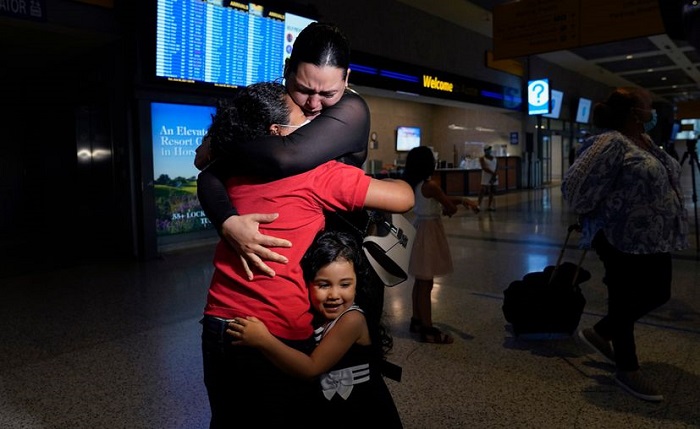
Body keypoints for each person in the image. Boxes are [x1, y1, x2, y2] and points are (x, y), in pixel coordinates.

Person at [201, 81, 413, 428]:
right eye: (303, 114)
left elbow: (206, 172)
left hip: (219, 323)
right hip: (275, 330)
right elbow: (404, 197)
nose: (314, 117)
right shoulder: (317, 174)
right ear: (278, 131)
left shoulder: (232, 171)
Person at [196, 22, 370, 279]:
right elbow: (210, 174)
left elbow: (284, 157)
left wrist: (220, 140)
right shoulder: (274, 108)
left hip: (336, 265)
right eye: (303, 89)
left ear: (346, 79)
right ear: (287, 68)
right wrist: (227, 222)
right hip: (279, 267)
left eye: (328, 93)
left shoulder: (352, 110)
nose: (313, 104)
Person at [561, 87, 688, 402]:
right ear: (634, 112)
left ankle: (602, 332)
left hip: (652, 238)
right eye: (648, 105)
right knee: (624, 297)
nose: (652, 109)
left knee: (660, 292)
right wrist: (599, 214)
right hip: (620, 236)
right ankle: (627, 369)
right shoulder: (610, 143)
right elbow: (574, 187)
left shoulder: (643, 141)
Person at [227, 230, 403, 428]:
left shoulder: (352, 320)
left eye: (345, 284)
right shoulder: (314, 316)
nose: (334, 294)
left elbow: (311, 368)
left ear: (357, 285)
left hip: (360, 411)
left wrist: (263, 340)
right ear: (307, 283)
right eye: (323, 285)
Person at [402, 146, 479, 344]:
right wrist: (454, 206)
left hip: (419, 228)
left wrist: (462, 200)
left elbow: (438, 201)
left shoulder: (417, 184)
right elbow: (447, 204)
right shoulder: (431, 185)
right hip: (429, 232)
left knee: (421, 279)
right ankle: (428, 329)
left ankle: (417, 320)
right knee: (427, 282)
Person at [477, 145, 498, 211]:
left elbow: (497, 167)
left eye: (490, 149)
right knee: (483, 190)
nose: (489, 151)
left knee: (492, 190)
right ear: (485, 151)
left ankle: (489, 205)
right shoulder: (482, 158)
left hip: (494, 175)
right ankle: (478, 205)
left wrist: (495, 174)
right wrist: (492, 172)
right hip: (486, 175)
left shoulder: (494, 158)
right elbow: (484, 167)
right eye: (488, 150)